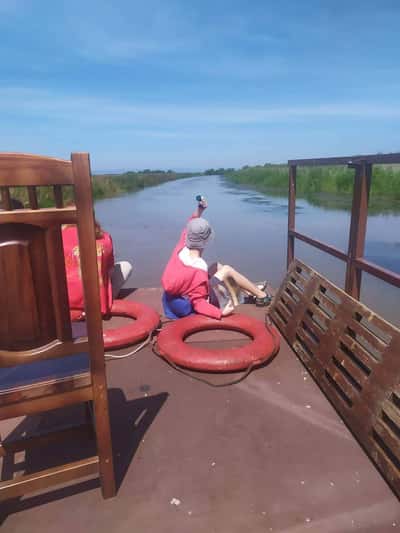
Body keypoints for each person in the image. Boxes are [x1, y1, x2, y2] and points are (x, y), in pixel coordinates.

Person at [161, 198, 271, 320]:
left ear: (188, 236)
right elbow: (198, 303)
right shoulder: (199, 267)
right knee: (227, 270)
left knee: (216, 266)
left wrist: (200, 209)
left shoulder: (181, 247)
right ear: (206, 241)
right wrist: (220, 313)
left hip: (171, 301)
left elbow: (191, 223)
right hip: (186, 307)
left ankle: (247, 292)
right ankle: (262, 296)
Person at [62, 221, 133, 317]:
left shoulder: (56, 237)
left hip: (63, 302)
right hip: (97, 303)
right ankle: (97, 305)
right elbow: (110, 271)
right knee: (125, 266)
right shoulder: (104, 236)